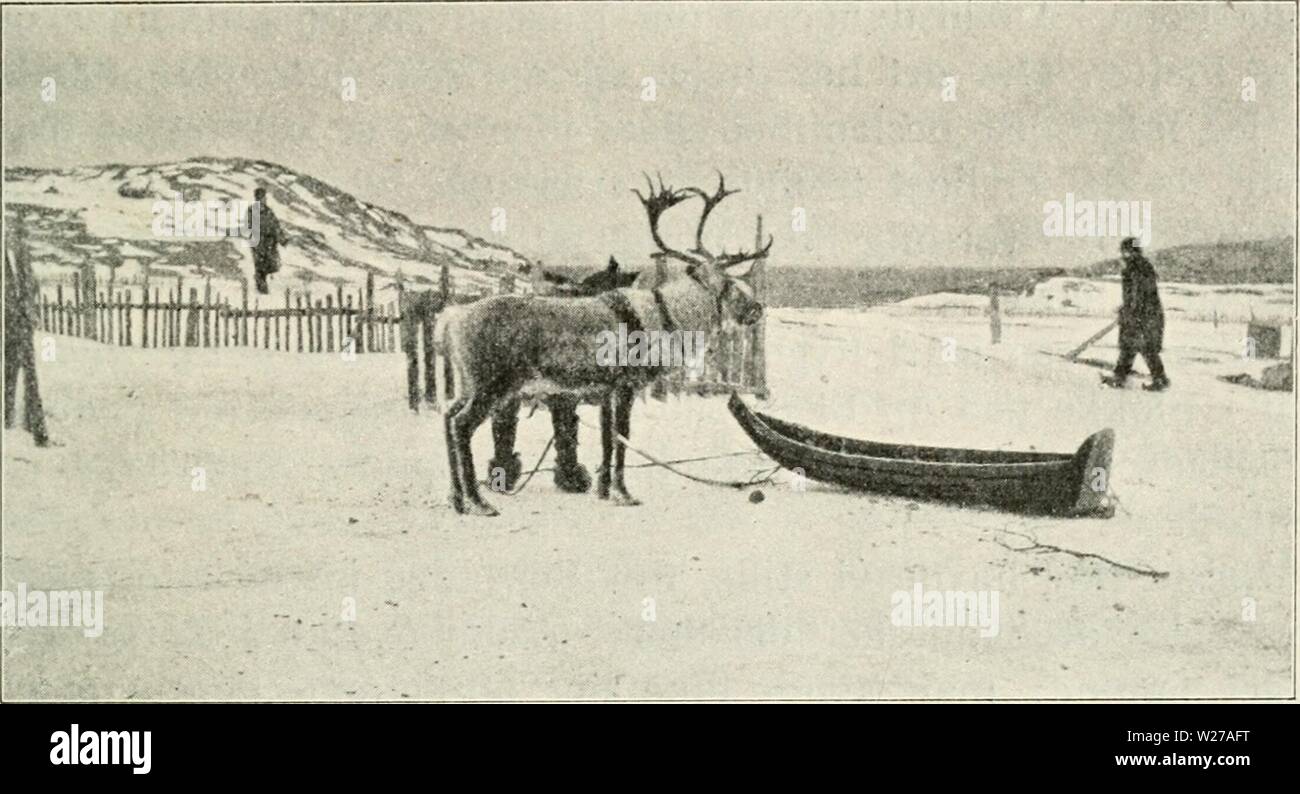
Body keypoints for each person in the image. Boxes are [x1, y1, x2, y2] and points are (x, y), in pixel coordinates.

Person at [4, 217, 50, 446]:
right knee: (7, 377)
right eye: (12, 235)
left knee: (31, 378)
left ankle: (38, 431)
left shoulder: (23, 258)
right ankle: (7, 424)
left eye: (18, 236)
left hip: (21, 327)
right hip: (6, 327)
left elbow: (31, 285)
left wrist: (31, 309)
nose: (15, 239)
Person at [1102, 237, 1170, 391]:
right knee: (1131, 346)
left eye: (1124, 251)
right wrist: (1126, 308)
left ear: (1130, 251)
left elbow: (1137, 294)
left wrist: (1129, 310)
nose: (1122, 255)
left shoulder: (1135, 268)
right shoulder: (1143, 266)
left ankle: (1158, 379)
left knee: (1143, 347)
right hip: (1146, 313)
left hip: (1142, 315)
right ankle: (1121, 378)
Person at [248, 187, 287, 294]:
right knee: (261, 268)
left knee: (272, 266)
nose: (265, 199)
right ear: (258, 198)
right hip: (259, 244)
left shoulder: (268, 211)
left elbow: (275, 225)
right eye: (263, 197)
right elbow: (252, 227)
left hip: (269, 244)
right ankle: (261, 290)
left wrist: (282, 239)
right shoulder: (252, 211)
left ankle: (264, 288)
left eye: (265, 197)